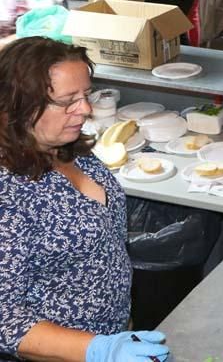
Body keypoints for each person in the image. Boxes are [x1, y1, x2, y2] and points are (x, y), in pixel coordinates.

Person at [0, 38, 171, 361]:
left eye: (85, 95)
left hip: (116, 331)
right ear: (18, 106)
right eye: (68, 101)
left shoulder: (69, 149)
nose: (86, 109)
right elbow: (4, 318)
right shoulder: (8, 193)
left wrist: (117, 335)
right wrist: (99, 350)